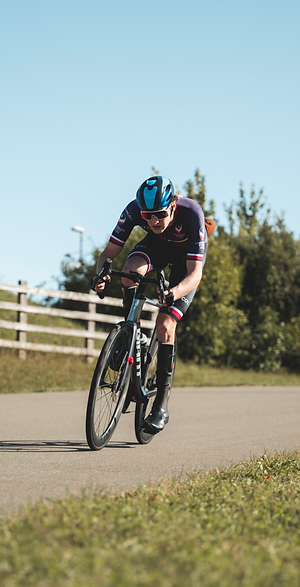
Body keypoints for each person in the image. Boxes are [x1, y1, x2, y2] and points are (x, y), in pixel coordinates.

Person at [90, 175, 208, 434]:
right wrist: (100, 275)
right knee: (130, 272)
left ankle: (161, 407)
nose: (154, 221)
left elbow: (195, 274)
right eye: (147, 216)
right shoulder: (133, 209)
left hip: (185, 262)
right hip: (157, 247)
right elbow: (108, 254)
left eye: (160, 215)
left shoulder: (191, 214)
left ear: (173, 207)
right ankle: (131, 336)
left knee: (165, 325)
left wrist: (173, 292)